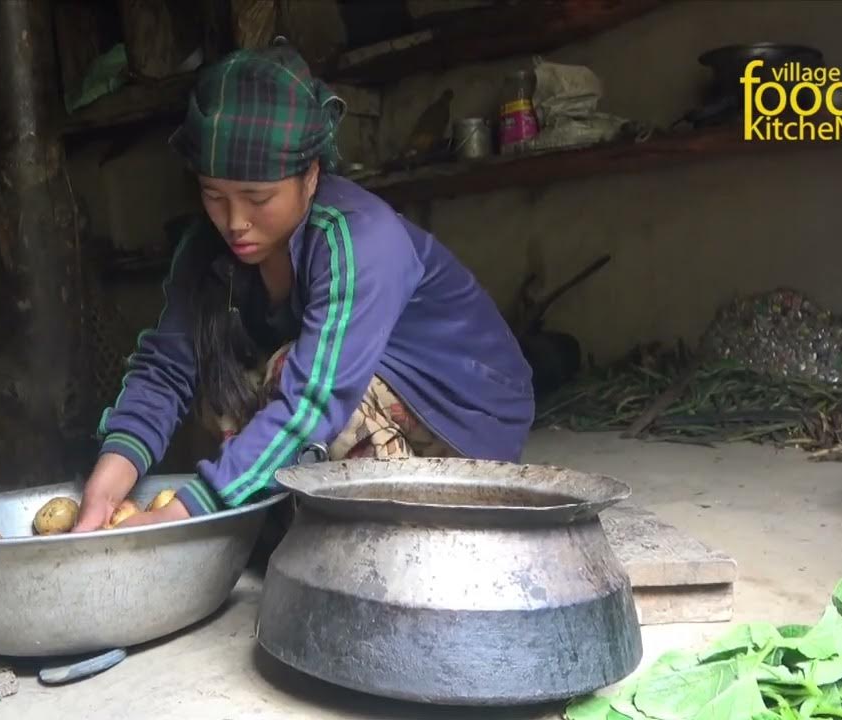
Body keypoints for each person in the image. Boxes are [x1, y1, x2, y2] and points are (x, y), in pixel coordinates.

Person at [74, 44, 534, 532]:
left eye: (258, 198)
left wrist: (191, 509)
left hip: (463, 413)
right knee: (224, 386)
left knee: (286, 375)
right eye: (214, 195)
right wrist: (107, 482)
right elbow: (165, 371)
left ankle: (393, 534)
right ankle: (291, 513)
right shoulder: (205, 248)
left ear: (311, 177)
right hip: (347, 386)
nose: (235, 222)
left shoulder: (361, 239)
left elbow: (315, 398)